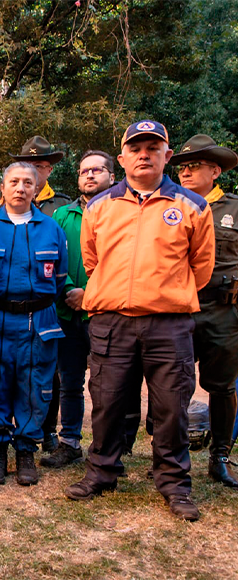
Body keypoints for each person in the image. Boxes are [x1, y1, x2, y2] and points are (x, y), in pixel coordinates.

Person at [65, 121, 215, 522]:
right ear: (123, 159)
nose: (144, 154)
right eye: (136, 148)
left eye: (153, 147)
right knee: (108, 403)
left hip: (169, 325)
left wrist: (164, 293)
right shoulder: (99, 206)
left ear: (167, 155)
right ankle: (102, 472)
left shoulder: (193, 207)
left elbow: (201, 269)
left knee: (171, 408)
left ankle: (174, 484)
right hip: (111, 321)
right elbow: (93, 260)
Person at [0, 162, 67, 486]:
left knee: (34, 386)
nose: (21, 188)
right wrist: (0, 304)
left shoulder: (52, 230)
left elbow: (59, 280)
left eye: (28, 183)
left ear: (36, 189)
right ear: (2, 188)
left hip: (38, 320)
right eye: (14, 182)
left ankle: (25, 453)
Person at [170, 134, 238, 487]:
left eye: (194, 166)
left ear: (215, 171)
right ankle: (170, 457)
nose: (186, 171)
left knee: (222, 387)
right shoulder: (171, 207)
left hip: (222, 312)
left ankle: (220, 457)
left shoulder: (234, 209)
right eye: (182, 166)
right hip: (180, 309)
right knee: (172, 386)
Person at [41, 151, 114, 468]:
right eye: (84, 170)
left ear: (112, 175)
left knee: (108, 385)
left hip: (107, 312)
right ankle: (69, 442)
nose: (89, 175)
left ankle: (110, 448)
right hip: (68, 311)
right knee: (69, 381)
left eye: (97, 170)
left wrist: (92, 293)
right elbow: (51, 258)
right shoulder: (61, 215)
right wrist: (70, 288)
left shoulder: (122, 212)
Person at [9, 135, 70, 452]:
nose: (32, 171)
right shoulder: (5, 207)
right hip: (11, 311)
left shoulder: (62, 207)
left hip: (49, 307)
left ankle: (45, 430)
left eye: (39, 165)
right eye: (27, 164)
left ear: (48, 169)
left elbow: (65, 263)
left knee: (49, 373)